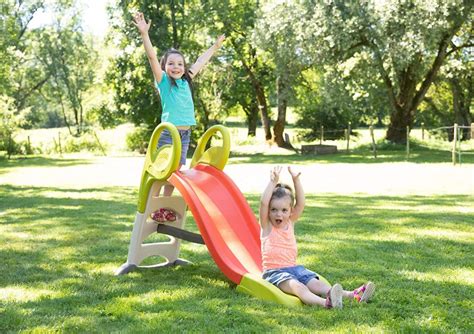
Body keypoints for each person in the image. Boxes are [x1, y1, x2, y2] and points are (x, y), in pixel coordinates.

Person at [132, 12, 225, 221]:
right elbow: (152, 57)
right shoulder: (164, 82)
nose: (176, 67)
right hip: (168, 135)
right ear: (165, 68)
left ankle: (161, 209)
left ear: (184, 68)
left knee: (174, 174)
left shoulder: (186, 81)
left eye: (180, 64)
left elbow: (201, 61)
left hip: (184, 136)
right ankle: (149, 207)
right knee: (162, 172)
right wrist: (144, 34)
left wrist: (215, 47)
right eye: (171, 64)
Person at [259, 166, 375, 308]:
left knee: (317, 284)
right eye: (274, 210)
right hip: (275, 272)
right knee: (299, 287)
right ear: (269, 211)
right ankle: (326, 303)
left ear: (290, 211)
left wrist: (296, 180)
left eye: (284, 210)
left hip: (294, 269)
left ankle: (352, 295)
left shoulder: (290, 222)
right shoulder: (267, 225)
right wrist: (272, 182)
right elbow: (263, 203)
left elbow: (301, 204)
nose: (279, 214)